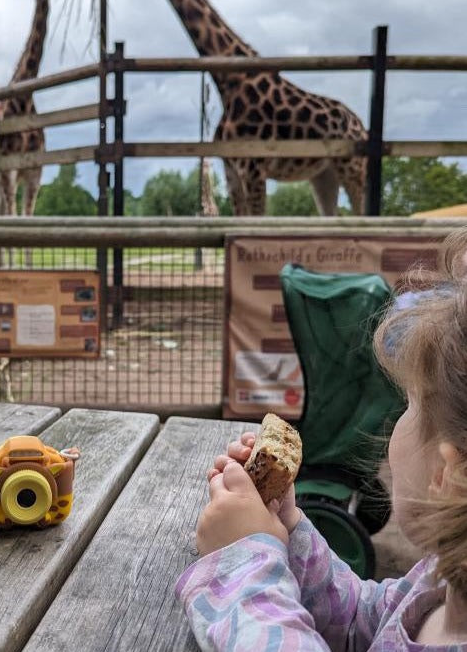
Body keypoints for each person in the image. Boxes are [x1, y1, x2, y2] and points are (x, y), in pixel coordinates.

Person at [176, 229, 467, 651]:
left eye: (409, 406)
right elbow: (362, 623)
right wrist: (287, 529)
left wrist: (244, 567)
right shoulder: (439, 586)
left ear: (448, 473)